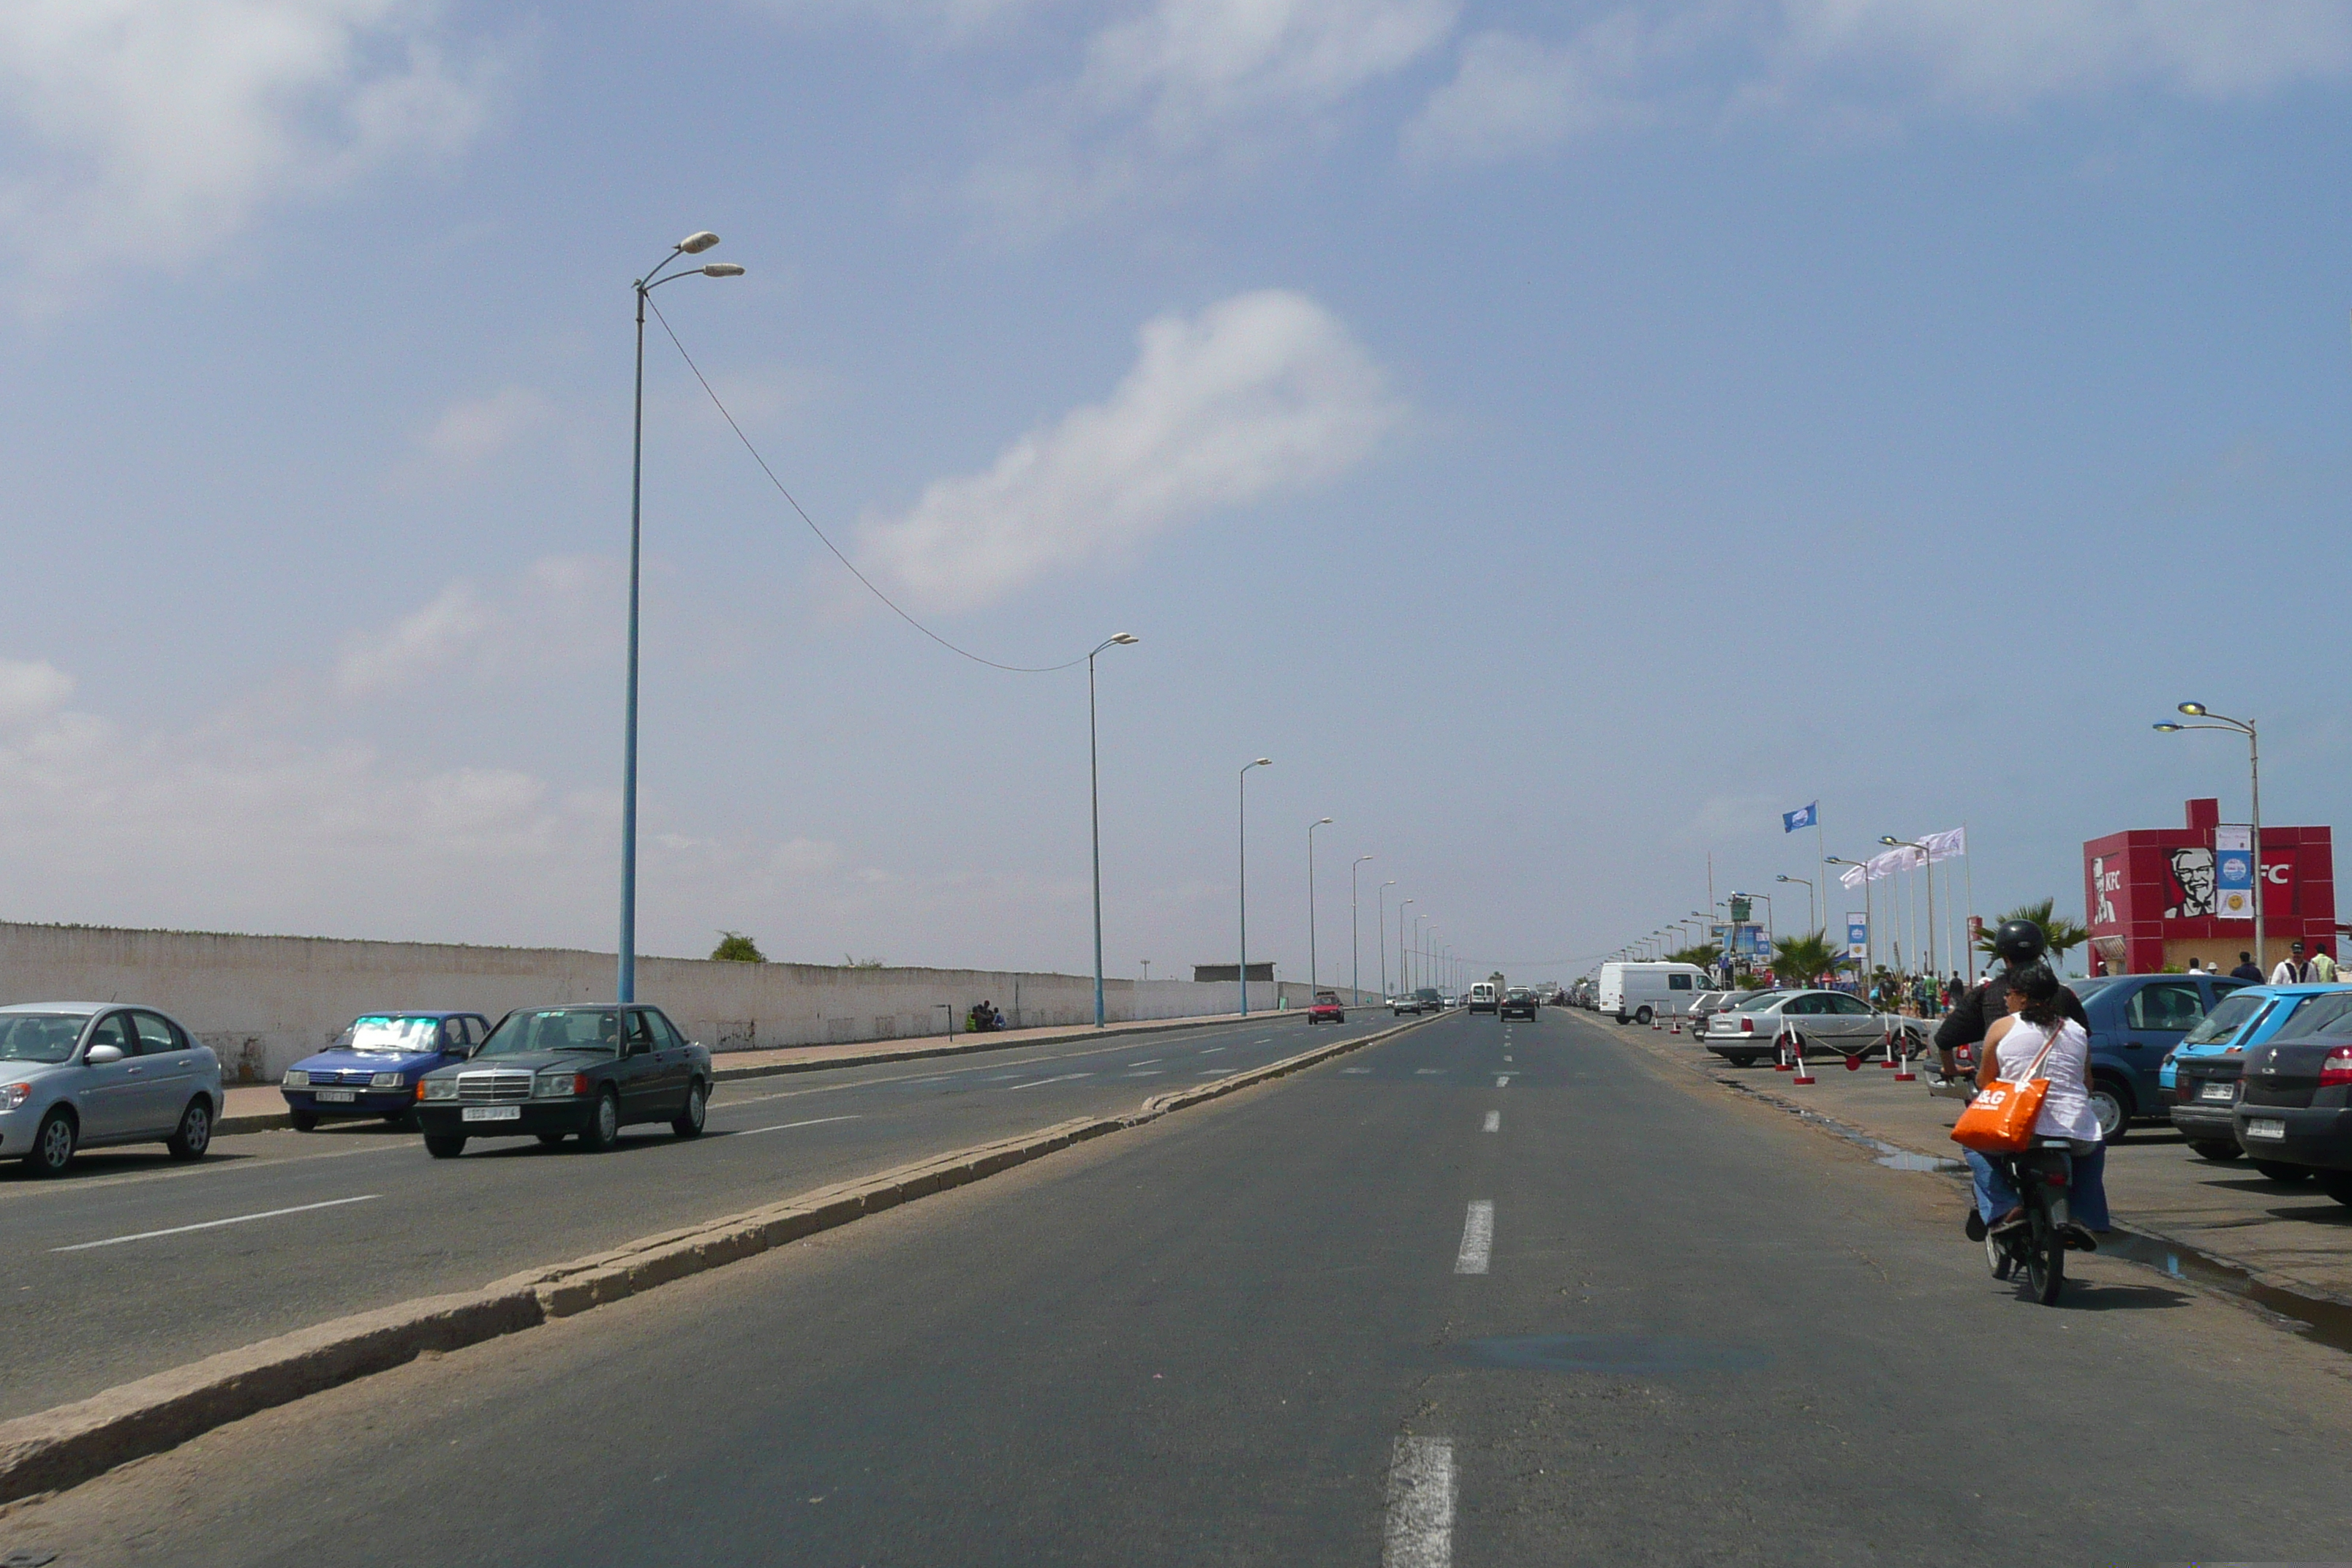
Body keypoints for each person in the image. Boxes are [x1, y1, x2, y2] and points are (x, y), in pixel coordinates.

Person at [1961, 962, 2108, 1248]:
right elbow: (2087, 1083)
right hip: (2077, 1130)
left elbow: (1986, 1080)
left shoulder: (2003, 1027)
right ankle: (2082, 1216)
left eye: (2009, 993)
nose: (2005, 999)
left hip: (2018, 1129)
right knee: (2095, 1146)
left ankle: (2005, 1206)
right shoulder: (2077, 1031)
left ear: (2022, 997)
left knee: (1973, 1144)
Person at [1933, 919, 2087, 1084]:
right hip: (2061, 1089)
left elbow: (1944, 1039)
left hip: (2005, 1094)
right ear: (2039, 954)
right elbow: (2085, 1045)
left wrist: (1950, 1069)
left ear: (2005, 958)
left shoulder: (1987, 993)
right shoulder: (2064, 994)